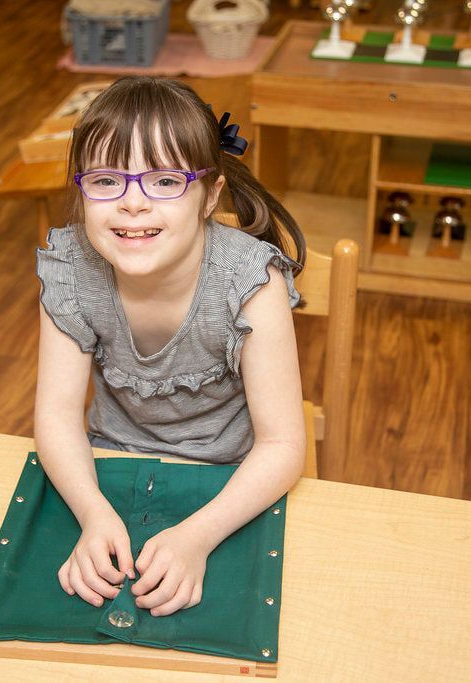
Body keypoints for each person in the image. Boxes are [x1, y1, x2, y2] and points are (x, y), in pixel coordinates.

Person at [34, 76, 306, 620]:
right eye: (107, 180)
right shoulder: (70, 270)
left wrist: (197, 537)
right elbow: (58, 417)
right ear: (81, 190)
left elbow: (281, 444)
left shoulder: (252, 282)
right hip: (105, 471)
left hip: (231, 482)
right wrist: (93, 514)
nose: (133, 204)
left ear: (209, 195)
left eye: (164, 181)